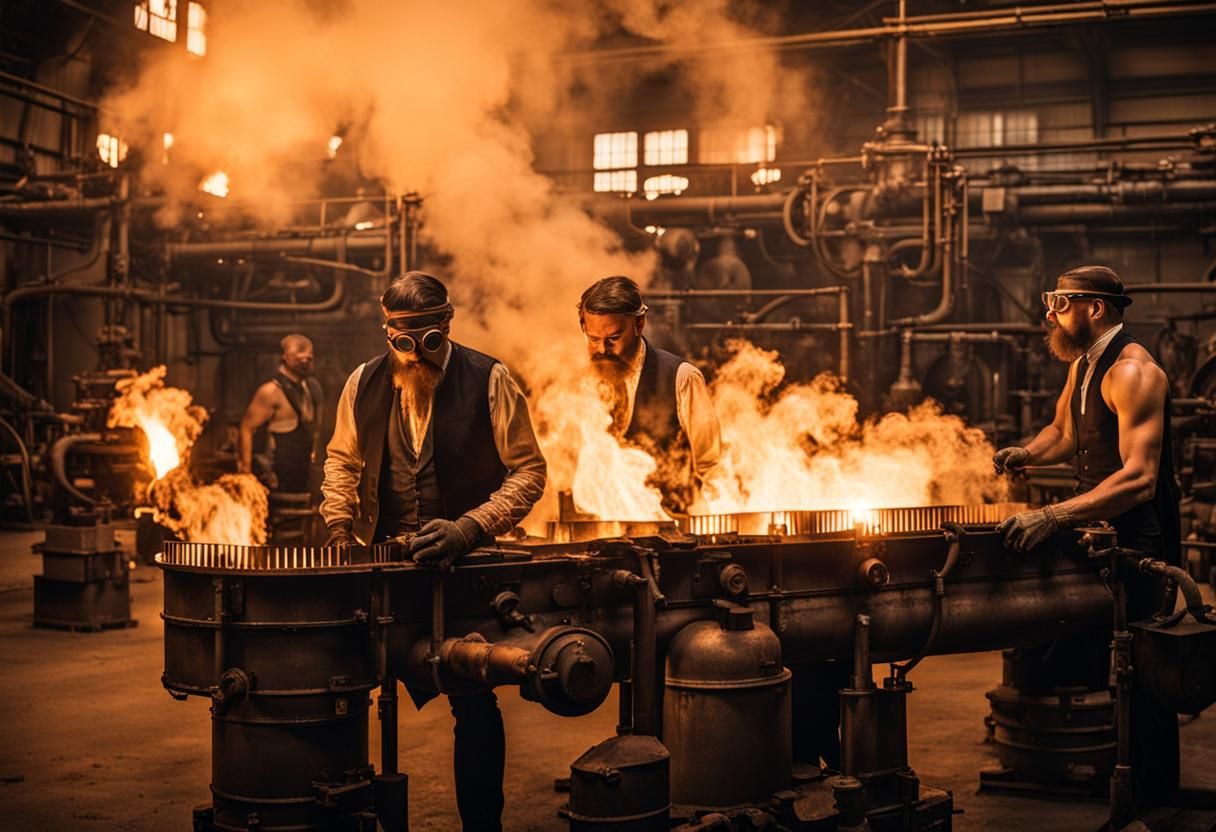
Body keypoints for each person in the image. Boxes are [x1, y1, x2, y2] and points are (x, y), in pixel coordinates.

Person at [320, 271, 546, 832]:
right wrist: (338, 527)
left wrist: (470, 528)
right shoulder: (362, 382)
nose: (414, 353)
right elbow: (343, 462)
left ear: (447, 325)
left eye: (427, 337)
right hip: (382, 571)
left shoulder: (490, 379)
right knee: (341, 688)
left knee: (472, 698)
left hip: (463, 569)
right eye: (401, 338)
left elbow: (528, 471)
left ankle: (481, 825)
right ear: (386, 331)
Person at [993, 264, 1181, 808]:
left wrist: (1053, 516)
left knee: (1143, 679)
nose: (1049, 312)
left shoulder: (1132, 371)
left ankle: (1153, 799)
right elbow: (1063, 431)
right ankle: (1098, 766)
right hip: (1093, 529)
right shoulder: (1085, 367)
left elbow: (1140, 478)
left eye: (1060, 301)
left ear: (1094, 308)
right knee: (1079, 654)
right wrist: (1027, 453)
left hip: (1134, 540)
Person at [578, 275, 722, 512]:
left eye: (614, 338)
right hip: (595, 531)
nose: (603, 349)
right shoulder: (574, 383)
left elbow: (712, 466)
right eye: (593, 339)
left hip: (671, 533)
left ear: (639, 324)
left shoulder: (682, 378)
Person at [238, 334, 323, 493]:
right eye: (299, 358)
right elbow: (246, 428)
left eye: (309, 359)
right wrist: (246, 473)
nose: (305, 362)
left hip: (303, 476)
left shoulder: (312, 389)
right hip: (276, 479)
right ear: (285, 357)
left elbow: (316, 431)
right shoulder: (271, 392)